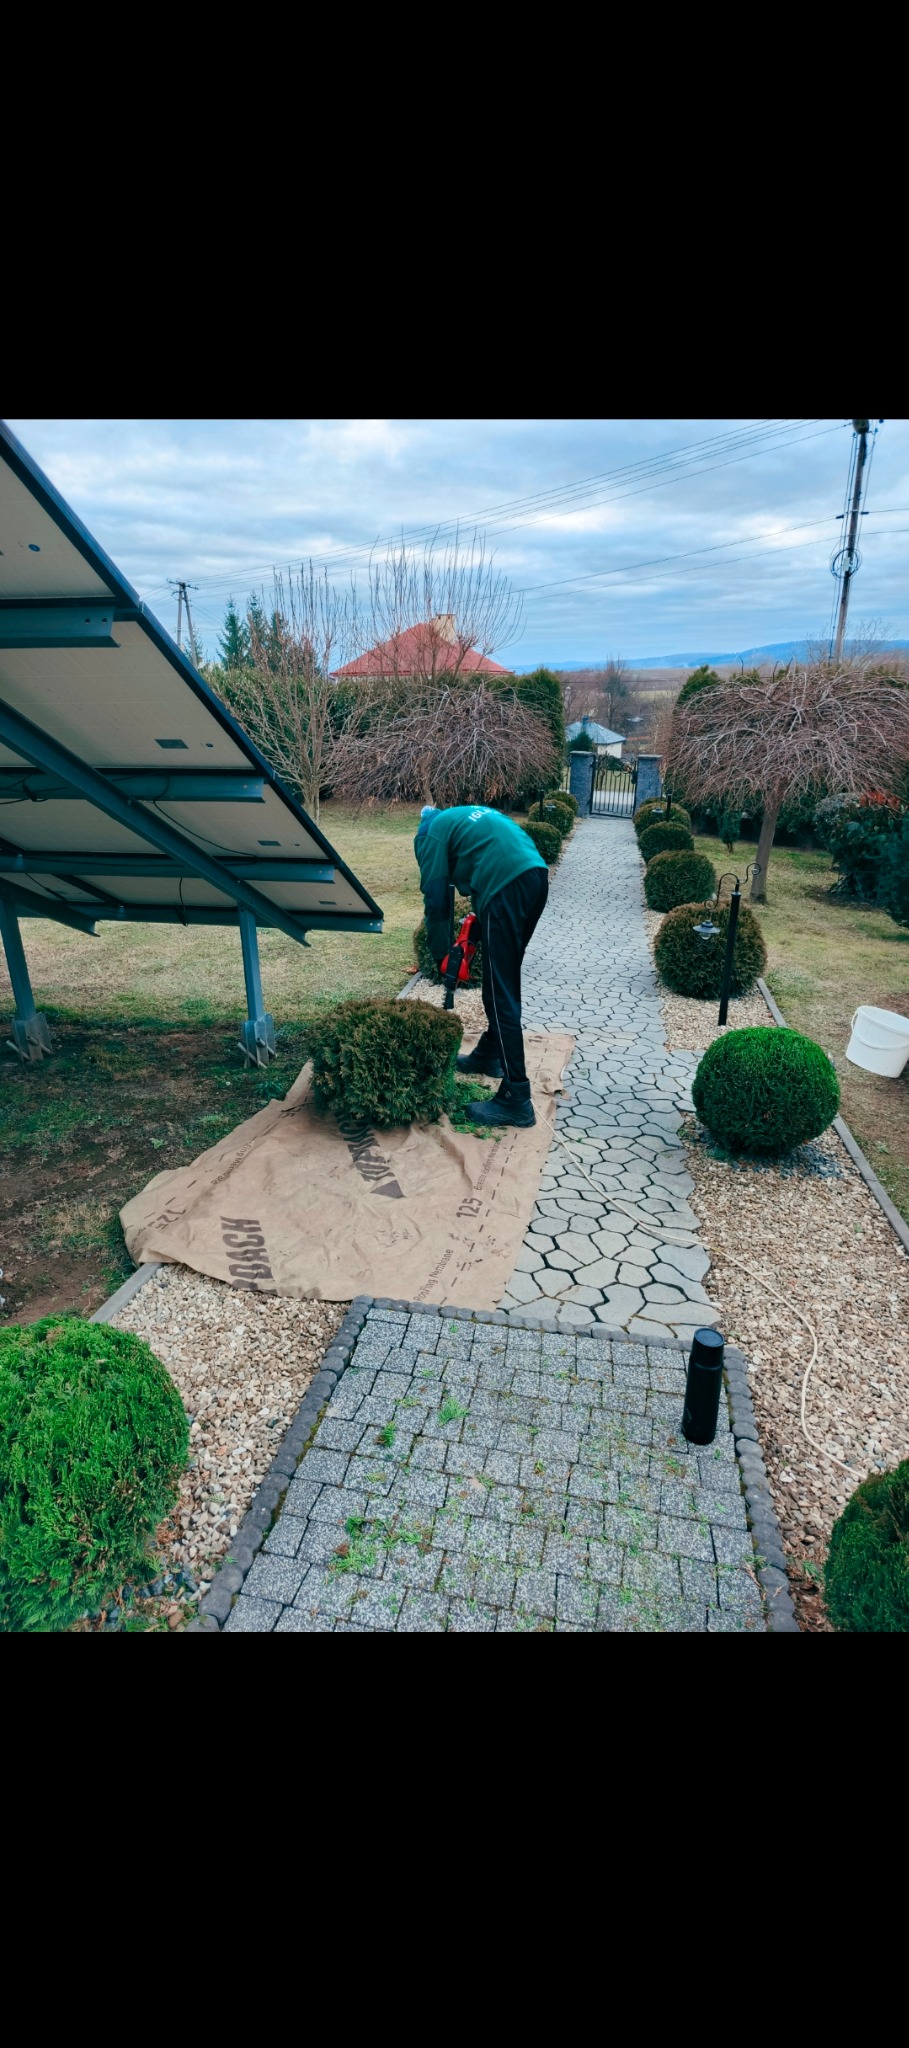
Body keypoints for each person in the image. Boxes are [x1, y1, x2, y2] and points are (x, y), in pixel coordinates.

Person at [414, 803, 549, 1128]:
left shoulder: (429, 835)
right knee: (502, 978)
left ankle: (516, 1098)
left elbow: (437, 900)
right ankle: (489, 1054)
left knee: (499, 993)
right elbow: (482, 861)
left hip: (505, 885)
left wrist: (440, 958)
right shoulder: (462, 818)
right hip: (535, 878)